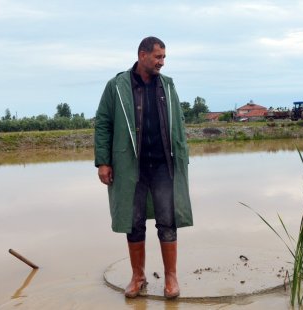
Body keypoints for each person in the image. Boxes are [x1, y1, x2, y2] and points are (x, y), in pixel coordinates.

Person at [94, 36, 193, 299]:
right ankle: (138, 277)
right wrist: (103, 161)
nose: (162, 62)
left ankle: (171, 277)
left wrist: (182, 158)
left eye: (164, 57)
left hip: (163, 165)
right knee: (133, 223)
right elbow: (103, 123)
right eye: (158, 57)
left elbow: (179, 125)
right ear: (142, 55)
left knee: (167, 220)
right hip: (130, 167)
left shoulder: (168, 85)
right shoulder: (116, 86)